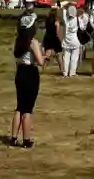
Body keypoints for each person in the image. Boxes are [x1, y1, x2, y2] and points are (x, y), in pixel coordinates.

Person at [11, 12, 45, 147]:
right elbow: (40, 62)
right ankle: (26, 139)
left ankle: (13, 137)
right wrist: (44, 55)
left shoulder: (18, 41)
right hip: (30, 73)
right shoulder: (32, 42)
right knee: (28, 109)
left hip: (20, 72)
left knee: (20, 106)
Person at [59, 2, 82, 77]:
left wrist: (68, 3)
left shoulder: (65, 18)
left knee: (66, 57)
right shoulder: (77, 19)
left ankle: (65, 73)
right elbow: (82, 28)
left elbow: (62, 8)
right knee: (74, 58)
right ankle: (72, 73)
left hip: (66, 39)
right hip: (75, 39)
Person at [41, 8, 62, 73]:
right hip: (54, 38)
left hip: (47, 37)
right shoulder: (56, 21)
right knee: (59, 54)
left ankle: (43, 68)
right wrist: (60, 40)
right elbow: (57, 33)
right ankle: (62, 69)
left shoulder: (47, 20)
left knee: (47, 54)